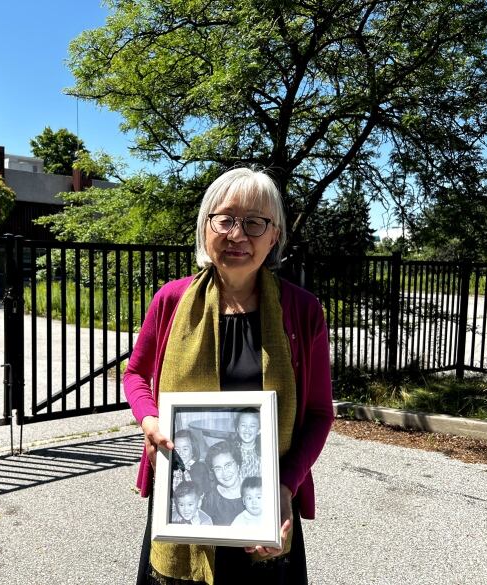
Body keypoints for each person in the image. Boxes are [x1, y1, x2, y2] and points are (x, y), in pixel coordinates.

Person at [124, 166, 334, 585]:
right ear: (206, 228)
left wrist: (285, 488)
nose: (238, 235)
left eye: (255, 222)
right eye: (225, 219)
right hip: (183, 506)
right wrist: (148, 419)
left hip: (266, 507)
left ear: (274, 236)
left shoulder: (302, 311)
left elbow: (318, 414)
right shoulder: (171, 300)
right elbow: (135, 375)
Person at [200, 440, 245, 526]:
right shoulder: (210, 499)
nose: (224, 473)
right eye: (218, 468)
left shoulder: (256, 490)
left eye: (228, 465)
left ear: (238, 465)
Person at [171, 429, 210, 496]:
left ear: (193, 451)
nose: (180, 453)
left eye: (185, 449)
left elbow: (207, 492)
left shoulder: (201, 469)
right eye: (177, 449)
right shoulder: (170, 469)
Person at [232, 409, 261, 480]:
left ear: (259, 430)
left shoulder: (263, 454)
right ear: (237, 429)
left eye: (252, 426)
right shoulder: (231, 451)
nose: (247, 429)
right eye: (243, 425)